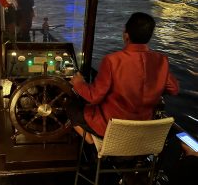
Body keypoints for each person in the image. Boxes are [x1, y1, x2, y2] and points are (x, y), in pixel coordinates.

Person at [68, 12, 179, 144]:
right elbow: (173, 89)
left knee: (71, 107)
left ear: (126, 35)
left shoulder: (112, 60)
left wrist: (78, 83)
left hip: (110, 128)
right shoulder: (162, 61)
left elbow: (94, 96)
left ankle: (94, 143)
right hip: (143, 128)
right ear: (149, 36)